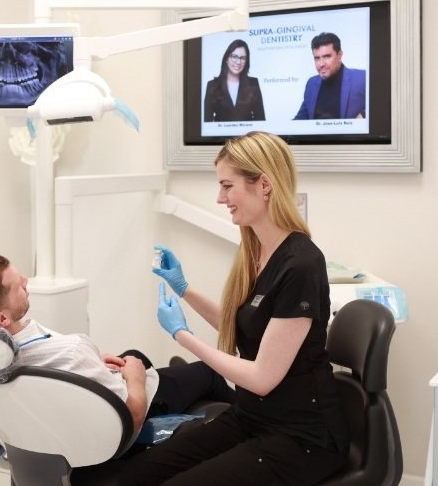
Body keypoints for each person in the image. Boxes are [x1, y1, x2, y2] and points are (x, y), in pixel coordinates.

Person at [118, 131, 350, 486]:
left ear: (264, 185)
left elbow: (261, 378)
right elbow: (243, 325)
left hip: (303, 437)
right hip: (253, 417)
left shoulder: (301, 264)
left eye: (228, 186)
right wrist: (185, 290)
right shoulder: (257, 251)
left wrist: (182, 336)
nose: (220, 197)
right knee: (137, 474)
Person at [0, 253, 234, 437]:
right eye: (18, 285)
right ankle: (249, 424)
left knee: (134, 355)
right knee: (208, 371)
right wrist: (135, 379)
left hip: (85, 388)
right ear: (2, 318)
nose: (26, 281)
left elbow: (58, 367)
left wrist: (92, 363)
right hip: (131, 410)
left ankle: (172, 378)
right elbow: (130, 418)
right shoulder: (69, 354)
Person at [293, 32, 366, 120]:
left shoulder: (362, 78)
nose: (321, 64)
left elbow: (381, 103)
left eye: (327, 57)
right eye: (317, 58)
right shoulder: (311, 83)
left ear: (339, 55)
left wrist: (364, 115)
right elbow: (300, 120)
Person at [204, 39, 265, 122]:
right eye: (234, 57)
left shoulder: (253, 84)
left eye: (243, 58)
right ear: (226, 58)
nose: (238, 62)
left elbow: (260, 120)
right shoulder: (212, 85)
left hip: (247, 134)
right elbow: (207, 122)